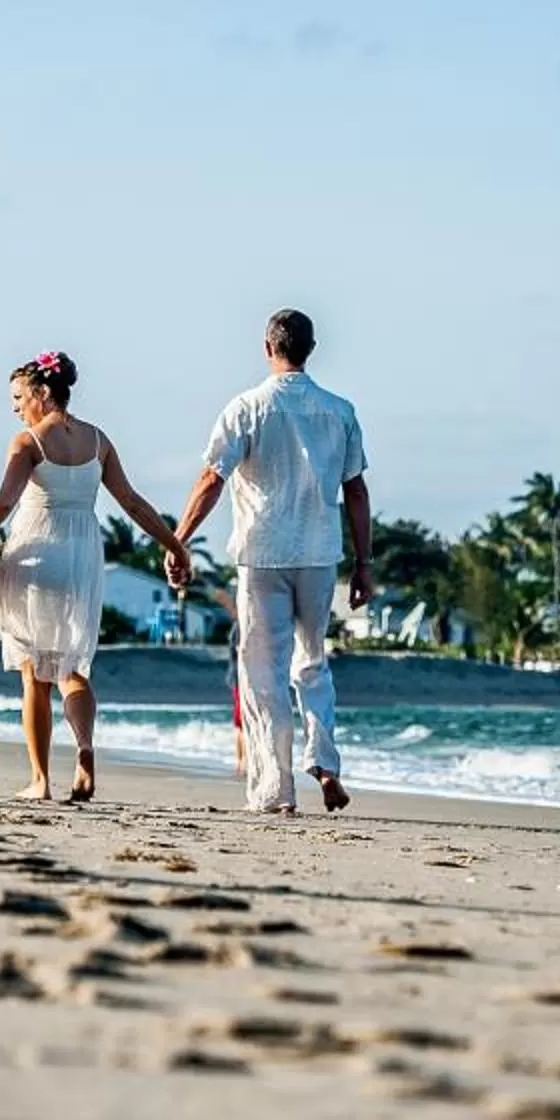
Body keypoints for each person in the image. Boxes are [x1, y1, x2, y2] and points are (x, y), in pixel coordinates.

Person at [170, 309, 370, 815]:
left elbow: (211, 479)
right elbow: (356, 490)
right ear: (311, 349)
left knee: (262, 671)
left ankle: (276, 788)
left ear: (267, 348)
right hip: (319, 554)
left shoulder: (246, 408)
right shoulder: (340, 411)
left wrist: (179, 539)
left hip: (262, 553)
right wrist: (364, 563)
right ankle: (324, 760)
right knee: (313, 662)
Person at [0, 351, 190, 803]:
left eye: (19, 398)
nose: (15, 408)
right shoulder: (98, 440)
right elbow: (132, 503)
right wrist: (174, 545)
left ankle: (40, 780)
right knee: (71, 666)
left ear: (42, 392)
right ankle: (85, 748)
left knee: (34, 673)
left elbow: (3, 503)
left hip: (37, 551)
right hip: (82, 556)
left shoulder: (28, 442)